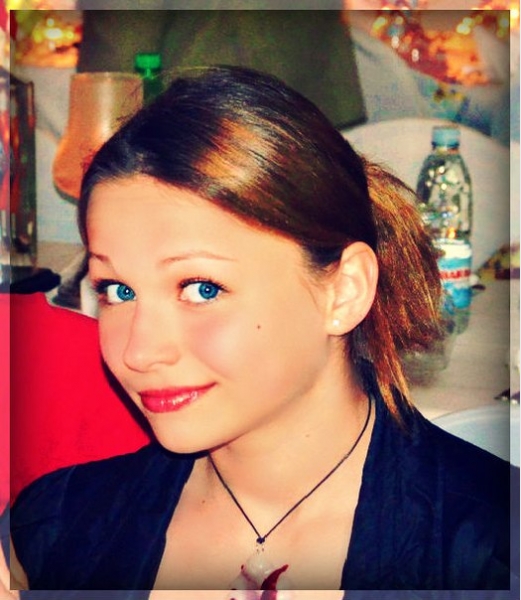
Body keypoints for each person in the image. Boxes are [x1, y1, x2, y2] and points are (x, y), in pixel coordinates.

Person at [2, 66, 518, 596]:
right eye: (118, 290)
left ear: (343, 291)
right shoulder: (54, 533)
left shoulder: (492, 554)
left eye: (201, 288)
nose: (139, 351)